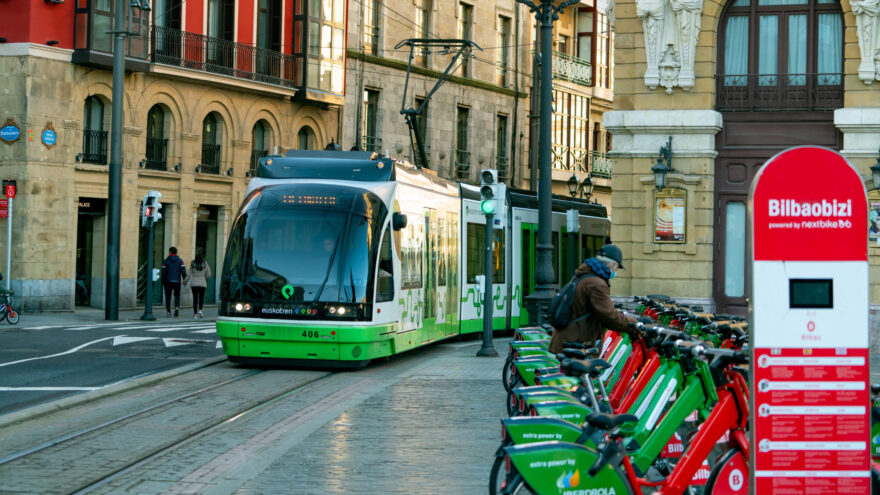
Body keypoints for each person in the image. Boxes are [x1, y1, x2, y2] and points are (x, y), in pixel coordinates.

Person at [549, 244, 639, 354]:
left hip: (568, 339)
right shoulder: (596, 284)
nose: (615, 271)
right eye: (616, 268)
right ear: (612, 265)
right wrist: (635, 325)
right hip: (576, 344)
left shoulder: (585, 275)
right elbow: (608, 315)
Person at [161, 246, 187, 317]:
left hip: (168, 281)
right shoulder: (180, 261)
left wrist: (163, 281)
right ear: (176, 252)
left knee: (168, 296)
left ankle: (168, 312)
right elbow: (183, 271)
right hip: (177, 281)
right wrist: (185, 279)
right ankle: (176, 308)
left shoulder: (165, 261)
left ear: (170, 252)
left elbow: (163, 272)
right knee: (177, 295)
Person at [185, 253, 212, 319]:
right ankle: (200, 310)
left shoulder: (192, 265)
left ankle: (195, 314)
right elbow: (209, 274)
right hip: (202, 283)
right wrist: (204, 277)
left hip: (194, 283)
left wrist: (185, 281)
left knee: (195, 298)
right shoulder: (205, 265)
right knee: (201, 298)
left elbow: (188, 274)